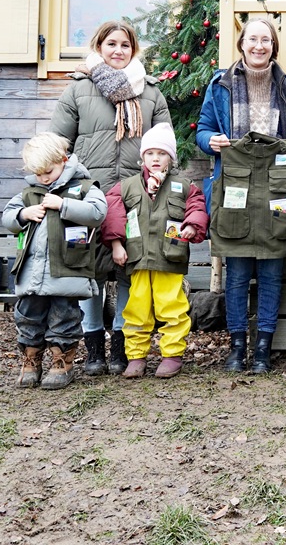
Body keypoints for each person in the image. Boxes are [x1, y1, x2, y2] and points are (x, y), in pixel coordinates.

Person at [50, 20, 171, 377]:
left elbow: (166, 146)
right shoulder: (79, 90)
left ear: (134, 50)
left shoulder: (151, 93)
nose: (118, 51)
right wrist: (64, 187)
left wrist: (159, 184)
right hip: (89, 195)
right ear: (99, 47)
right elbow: (58, 145)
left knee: (128, 272)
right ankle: (93, 350)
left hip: (135, 196)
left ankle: (121, 345)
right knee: (90, 273)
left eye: (125, 45)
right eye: (111, 44)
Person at [196, 18, 286, 374]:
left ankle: (262, 349)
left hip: (280, 186)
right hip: (235, 186)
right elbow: (203, 131)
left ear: (273, 45)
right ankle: (237, 348)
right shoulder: (220, 85)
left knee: (272, 272)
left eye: (266, 40)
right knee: (237, 274)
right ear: (242, 44)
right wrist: (211, 140)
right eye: (252, 39)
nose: (259, 46)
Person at [100, 123, 208, 379]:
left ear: (171, 158)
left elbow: (197, 207)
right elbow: (113, 215)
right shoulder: (126, 187)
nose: (156, 158)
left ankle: (172, 355)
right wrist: (116, 244)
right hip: (137, 261)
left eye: (162, 153)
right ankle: (136, 356)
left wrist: (191, 226)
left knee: (172, 309)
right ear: (143, 157)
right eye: (150, 153)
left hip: (169, 260)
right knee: (136, 310)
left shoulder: (184, 186)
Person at [2, 133, 107, 390]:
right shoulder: (30, 193)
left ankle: (62, 363)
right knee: (28, 316)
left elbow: (97, 212)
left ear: (63, 160)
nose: (44, 179)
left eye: (48, 172)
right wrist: (23, 214)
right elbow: (7, 217)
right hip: (33, 274)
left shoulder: (84, 188)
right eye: (38, 174)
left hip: (67, 270)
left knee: (64, 316)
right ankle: (31, 361)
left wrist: (63, 205)